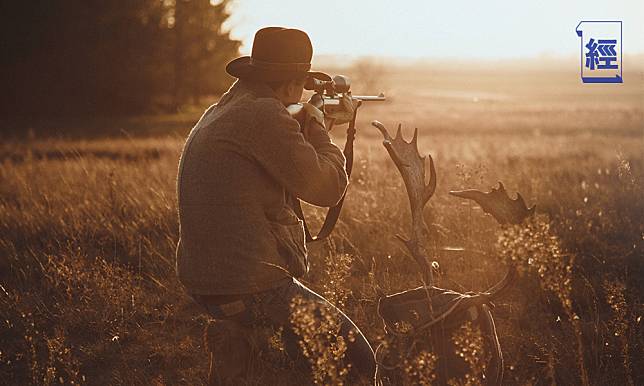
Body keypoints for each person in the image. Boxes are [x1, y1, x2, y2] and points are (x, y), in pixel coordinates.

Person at [175, 27, 377, 384]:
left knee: (290, 359)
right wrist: (320, 129)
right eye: (300, 85)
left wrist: (312, 119)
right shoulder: (264, 116)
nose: (301, 94)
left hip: (206, 280)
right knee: (360, 360)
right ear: (289, 86)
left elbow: (281, 151)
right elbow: (327, 188)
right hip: (253, 287)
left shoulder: (224, 110)